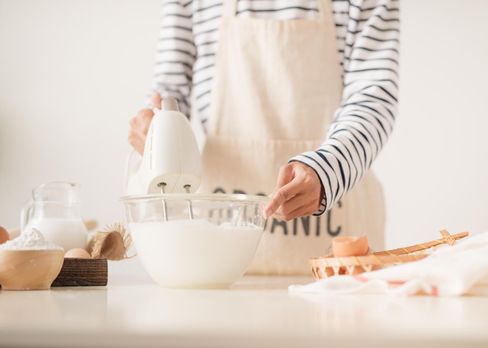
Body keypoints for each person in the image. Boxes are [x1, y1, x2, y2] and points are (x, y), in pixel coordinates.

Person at [128, 0, 399, 274]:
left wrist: (326, 170)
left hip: (339, 273)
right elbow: (170, 93)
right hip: (219, 263)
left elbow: (373, 98)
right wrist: (156, 126)